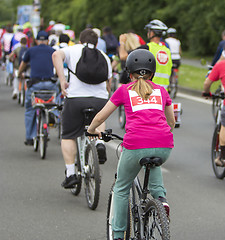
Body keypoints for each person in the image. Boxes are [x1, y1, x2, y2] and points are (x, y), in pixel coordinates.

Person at [87, 49, 175, 240]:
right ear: (152, 72)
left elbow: (101, 116)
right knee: (154, 161)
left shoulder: (124, 90)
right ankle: (160, 200)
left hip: (135, 145)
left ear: (129, 72)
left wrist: (92, 130)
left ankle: (118, 235)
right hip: (164, 145)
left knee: (121, 188)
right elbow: (171, 123)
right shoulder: (161, 91)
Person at [52, 29, 112, 188]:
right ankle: (100, 143)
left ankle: (71, 174)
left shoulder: (73, 50)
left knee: (68, 135)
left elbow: (56, 55)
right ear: (97, 42)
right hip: (100, 100)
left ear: (80, 40)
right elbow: (109, 83)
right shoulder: (103, 56)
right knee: (99, 118)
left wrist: (62, 79)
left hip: (76, 99)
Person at [18, 31, 58, 146]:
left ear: (36, 40)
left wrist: (19, 74)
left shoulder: (30, 51)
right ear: (47, 41)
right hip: (50, 84)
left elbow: (23, 65)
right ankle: (53, 115)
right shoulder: (52, 51)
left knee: (30, 108)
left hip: (35, 84)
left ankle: (30, 137)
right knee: (56, 101)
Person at [119, 19, 173, 89]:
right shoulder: (167, 50)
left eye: (149, 31)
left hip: (150, 88)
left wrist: (122, 42)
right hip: (164, 90)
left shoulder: (147, 48)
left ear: (152, 33)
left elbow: (123, 56)